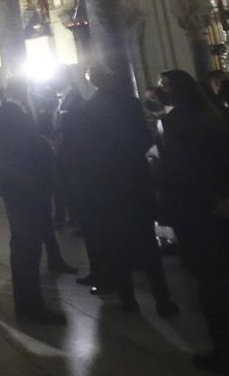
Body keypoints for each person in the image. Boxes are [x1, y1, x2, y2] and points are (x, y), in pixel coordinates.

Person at [158, 70, 229, 374]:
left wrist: (212, 201)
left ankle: (224, 349)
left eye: (163, 85)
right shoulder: (216, 113)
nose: (159, 89)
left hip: (200, 211)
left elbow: (183, 170)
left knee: (210, 283)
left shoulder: (174, 121)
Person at [76, 68, 177, 316]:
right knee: (147, 244)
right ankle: (163, 300)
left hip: (107, 187)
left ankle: (128, 300)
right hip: (134, 182)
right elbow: (143, 139)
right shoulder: (129, 103)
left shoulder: (88, 109)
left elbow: (86, 151)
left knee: (116, 244)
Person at [0, 78, 66, 324]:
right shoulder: (10, 114)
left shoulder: (10, 113)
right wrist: (44, 146)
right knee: (26, 248)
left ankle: (29, 303)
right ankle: (30, 305)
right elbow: (21, 151)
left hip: (22, 188)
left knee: (26, 248)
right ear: (23, 90)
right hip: (24, 189)